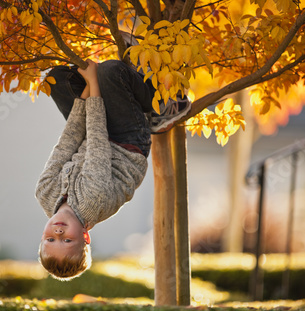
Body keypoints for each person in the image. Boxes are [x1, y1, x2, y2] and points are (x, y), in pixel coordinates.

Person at [35, 59, 190, 280]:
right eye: (67, 240)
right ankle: (159, 105)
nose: (58, 233)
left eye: (50, 240)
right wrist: (94, 80)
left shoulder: (44, 193)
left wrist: (88, 86)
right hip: (125, 140)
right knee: (110, 72)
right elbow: (98, 138)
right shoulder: (94, 201)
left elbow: (67, 142)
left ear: (42, 236)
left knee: (55, 78)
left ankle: (120, 89)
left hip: (93, 133)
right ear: (85, 236)